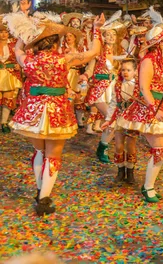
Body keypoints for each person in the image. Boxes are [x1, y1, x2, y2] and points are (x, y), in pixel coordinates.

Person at [5, 13, 105, 216]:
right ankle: (43, 199)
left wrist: (23, 34)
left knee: (40, 152)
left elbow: (16, 49)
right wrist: (96, 28)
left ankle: (40, 192)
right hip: (57, 112)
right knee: (53, 156)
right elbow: (95, 50)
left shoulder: (28, 60)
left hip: (33, 112)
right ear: (55, 43)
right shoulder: (64, 59)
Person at [117, 21, 163, 203]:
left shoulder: (162, 60)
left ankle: (148, 185)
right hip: (149, 108)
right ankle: (147, 187)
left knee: (162, 150)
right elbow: (144, 88)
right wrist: (154, 109)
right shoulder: (148, 60)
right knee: (161, 150)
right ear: (159, 42)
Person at [83, 12, 125, 163]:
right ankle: (103, 148)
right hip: (100, 91)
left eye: (113, 34)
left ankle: (103, 146)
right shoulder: (99, 53)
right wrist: (85, 76)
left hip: (114, 90)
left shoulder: (119, 51)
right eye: (107, 35)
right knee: (111, 119)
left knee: (115, 122)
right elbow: (90, 68)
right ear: (103, 37)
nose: (111, 37)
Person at [101, 58, 140, 183]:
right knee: (118, 146)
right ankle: (120, 170)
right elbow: (113, 103)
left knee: (131, 146)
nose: (125, 72)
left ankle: (130, 171)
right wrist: (108, 119)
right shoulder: (117, 84)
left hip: (132, 120)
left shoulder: (139, 86)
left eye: (128, 70)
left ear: (135, 71)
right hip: (119, 118)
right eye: (123, 70)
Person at [0, 24, 22, 133]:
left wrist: (18, 64)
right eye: (1, 32)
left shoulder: (14, 45)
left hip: (10, 74)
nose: (4, 34)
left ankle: (4, 122)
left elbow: (21, 57)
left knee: (7, 99)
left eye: (6, 32)